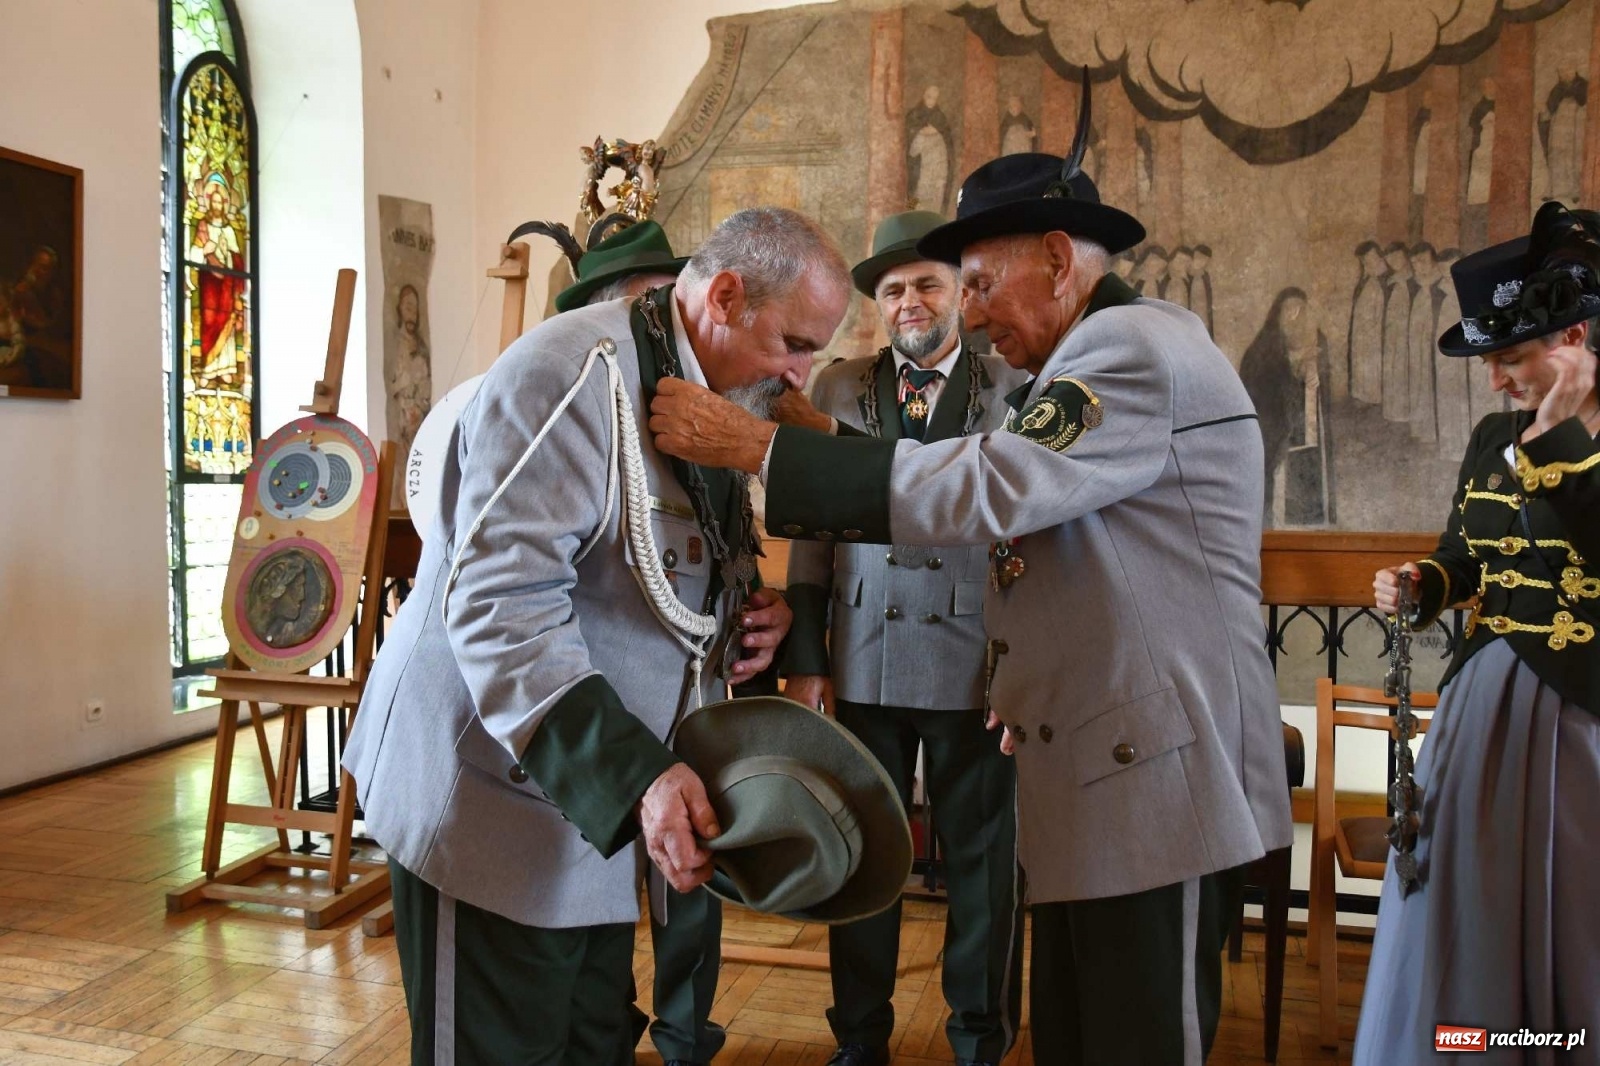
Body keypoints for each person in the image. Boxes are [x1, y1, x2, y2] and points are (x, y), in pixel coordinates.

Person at [647, 147, 1293, 1065]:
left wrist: (762, 451)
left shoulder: (1130, 349)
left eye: (982, 283)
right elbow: (1040, 537)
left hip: (1159, 780)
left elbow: (996, 484)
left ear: (1061, 260)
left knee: (1139, 1037)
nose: (972, 311)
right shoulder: (1092, 355)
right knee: (1079, 1034)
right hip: (1107, 763)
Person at [342, 206, 854, 1065]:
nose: (802, 376)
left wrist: (741, 623)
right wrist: (637, 778)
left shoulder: (706, 394)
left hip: (591, 814)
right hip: (493, 794)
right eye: (797, 344)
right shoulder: (570, 372)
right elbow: (500, 606)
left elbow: (662, 573)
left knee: (588, 1044)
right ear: (726, 296)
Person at [776, 210, 1028, 1066]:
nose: (910, 301)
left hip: (976, 665)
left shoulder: (1013, 391)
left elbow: (1026, 537)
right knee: (866, 858)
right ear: (877, 306)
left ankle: (978, 1039)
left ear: (959, 292)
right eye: (892, 291)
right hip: (862, 658)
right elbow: (810, 531)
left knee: (985, 866)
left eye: (926, 283)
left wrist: (1022, 666)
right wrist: (806, 659)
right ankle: (859, 1039)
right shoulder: (836, 390)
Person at [1357, 202, 1600, 1066]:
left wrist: (1563, 439)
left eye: (1513, 359)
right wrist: (1424, 584)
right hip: (1477, 721)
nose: (1497, 382)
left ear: (1574, 339)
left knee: (1570, 918)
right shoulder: (1494, 437)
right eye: (1492, 362)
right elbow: (1467, 555)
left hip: (1583, 729)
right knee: (1467, 915)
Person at [555, 218, 724, 1066]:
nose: (647, 323)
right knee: (588, 912)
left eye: (660, 301)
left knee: (692, 877)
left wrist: (756, 618)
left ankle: (687, 1033)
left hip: (686, 703)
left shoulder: (702, 420)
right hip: (583, 717)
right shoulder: (562, 402)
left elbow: (717, 567)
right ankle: (609, 1026)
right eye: (630, 305)